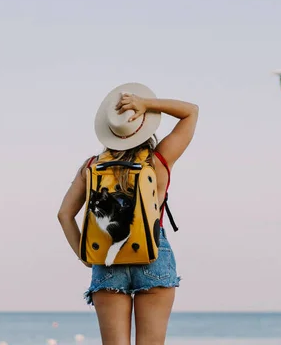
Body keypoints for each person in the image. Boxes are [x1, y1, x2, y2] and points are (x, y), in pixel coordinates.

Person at [57, 82, 198, 345]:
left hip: (107, 256)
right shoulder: (158, 161)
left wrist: (84, 255)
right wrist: (147, 104)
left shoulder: (91, 167)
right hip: (153, 255)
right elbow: (191, 111)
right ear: (145, 127)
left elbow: (64, 214)